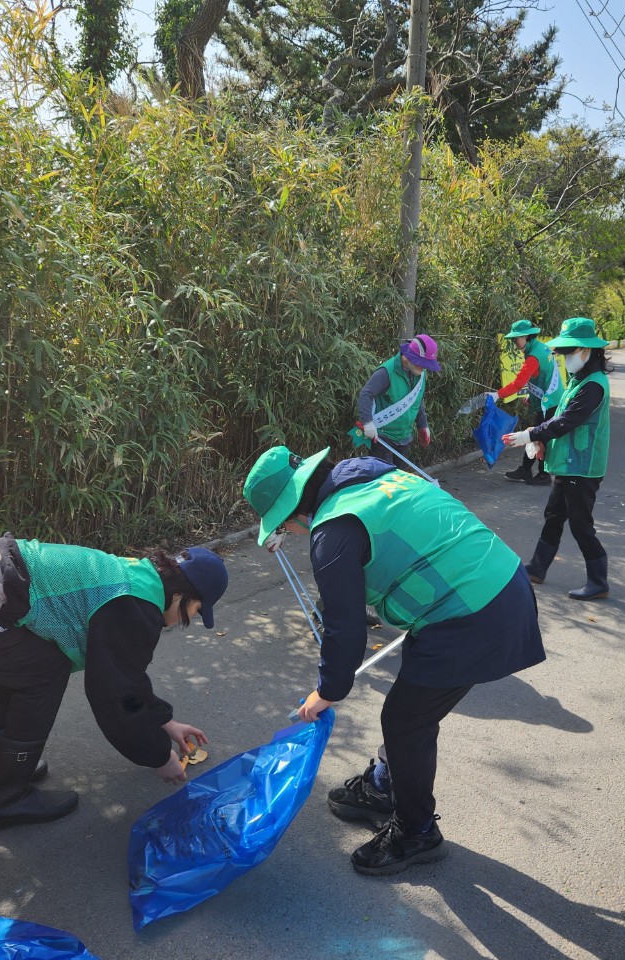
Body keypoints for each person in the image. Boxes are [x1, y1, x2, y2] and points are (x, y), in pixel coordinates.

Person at [243, 445, 544, 876]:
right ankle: (387, 785)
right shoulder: (366, 474)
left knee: (406, 721)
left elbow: (345, 630)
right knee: (411, 707)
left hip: (475, 614)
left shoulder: (332, 533)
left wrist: (326, 692)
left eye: (284, 525)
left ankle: (416, 832)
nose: (289, 532)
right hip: (498, 579)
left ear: (293, 510)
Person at [0, 536, 228, 831]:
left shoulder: (134, 577)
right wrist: (157, 755)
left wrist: (164, 721)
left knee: (27, 665)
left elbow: (126, 674)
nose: (189, 620)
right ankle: (8, 799)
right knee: (43, 671)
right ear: (185, 597)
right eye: (198, 612)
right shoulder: (134, 605)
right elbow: (115, 694)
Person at [503, 317, 612, 601]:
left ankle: (599, 581)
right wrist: (541, 441)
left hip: (583, 466)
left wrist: (530, 435)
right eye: (563, 352)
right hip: (568, 463)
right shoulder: (580, 380)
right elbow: (558, 419)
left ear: (588, 351)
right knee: (553, 516)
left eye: (570, 351)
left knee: (580, 525)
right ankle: (537, 567)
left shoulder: (594, 385)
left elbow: (566, 421)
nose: (566, 358)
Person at [487, 319, 563, 486]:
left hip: (549, 403)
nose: (514, 343)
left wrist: (497, 395)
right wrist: (532, 395)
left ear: (526, 337)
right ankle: (526, 469)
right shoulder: (540, 347)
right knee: (536, 434)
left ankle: (543, 475)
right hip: (550, 399)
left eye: (516, 339)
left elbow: (518, 383)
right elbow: (543, 376)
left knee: (542, 436)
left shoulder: (533, 357)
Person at [358, 334, 440, 465]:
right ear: (408, 357)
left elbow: (417, 401)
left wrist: (422, 425)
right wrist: (368, 422)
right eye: (422, 364)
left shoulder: (419, 373)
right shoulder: (386, 372)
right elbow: (365, 394)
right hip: (383, 438)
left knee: (400, 480)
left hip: (405, 437)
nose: (424, 368)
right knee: (386, 482)